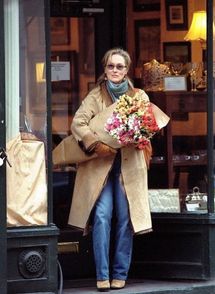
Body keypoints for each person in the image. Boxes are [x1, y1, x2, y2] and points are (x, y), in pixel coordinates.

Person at [68, 48, 153, 291]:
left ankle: (120, 272)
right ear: (104, 70)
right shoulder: (95, 96)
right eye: (110, 66)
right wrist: (95, 143)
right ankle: (102, 274)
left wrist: (140, 136)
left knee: (126, 219)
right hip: (101, 166)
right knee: (102, 216)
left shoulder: (139, 96)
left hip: (129, 167)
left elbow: (149, 124)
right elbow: (78, 122)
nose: (115, 70)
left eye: (120, 66)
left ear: (126, 70)